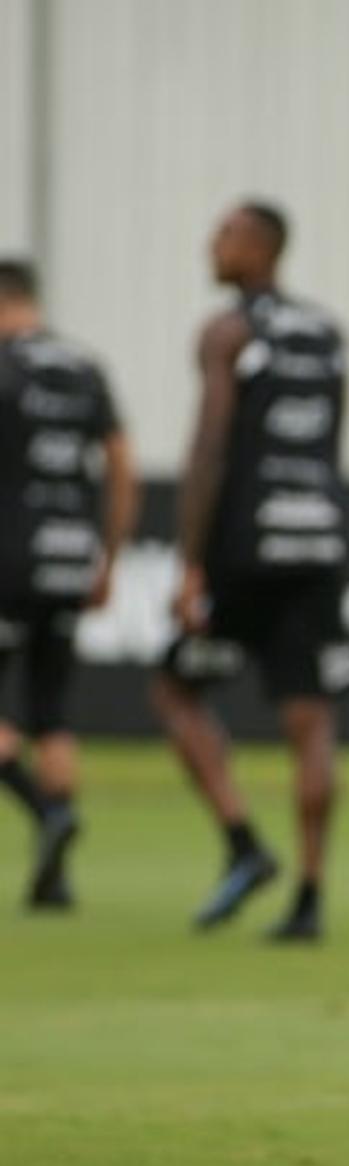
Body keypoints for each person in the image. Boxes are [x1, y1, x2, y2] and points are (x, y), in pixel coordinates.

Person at [151, 201, 349, 942]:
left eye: (224, 234)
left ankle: (243, 842)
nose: (212, 242)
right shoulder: (329, 334)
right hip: (315, 545)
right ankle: (309, 894)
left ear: (258, 247)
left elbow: (210, 448)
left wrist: (190, 565)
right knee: (310, 722)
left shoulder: (228, 332)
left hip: (244, 550)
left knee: (176, 686)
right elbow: (332, 446)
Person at [0, 258, 138, 909]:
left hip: (6, 555)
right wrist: (107, 557)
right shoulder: (82, 368)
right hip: (66, 554)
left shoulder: (4, 365)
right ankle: (54, 879)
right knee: (51, 712)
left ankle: (45, 815)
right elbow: (120, 462)